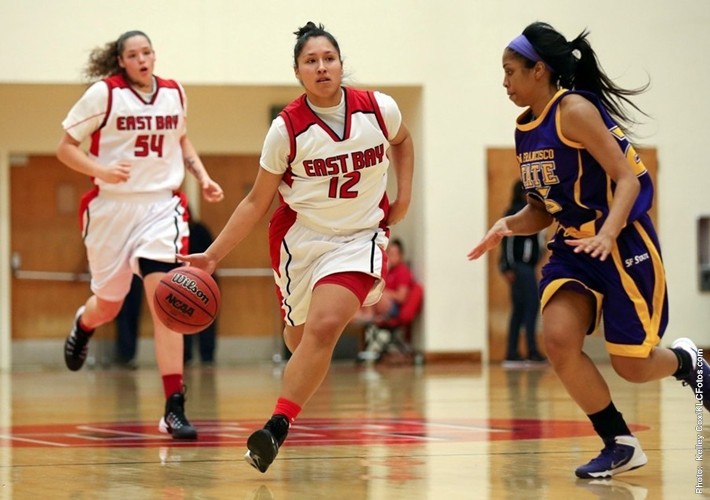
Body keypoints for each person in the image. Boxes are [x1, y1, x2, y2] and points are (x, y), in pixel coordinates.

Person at [467, 21, 710, 479]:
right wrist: (508, 224)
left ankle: (687, 363)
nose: (504, 82)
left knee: (633, 368)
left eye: (510, 71)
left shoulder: (574, 110)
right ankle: (619, 442)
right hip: (573, 246)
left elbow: (627, 178)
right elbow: (542, 209)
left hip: (621, 243)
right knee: (558, 340)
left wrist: (607, 234)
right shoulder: (525, 129)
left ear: (539, 71)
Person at [179, 21, 414, 472]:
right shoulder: (286, 129)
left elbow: (403, 143)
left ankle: (276, 427)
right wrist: (212, 257)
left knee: (325, 326)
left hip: (361, 236)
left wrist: (403, 196)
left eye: (329, 58)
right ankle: (292, 394)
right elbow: (254, 202)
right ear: (298, 72)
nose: (322, 67)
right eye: (311, 61)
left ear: (342, 64)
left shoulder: (379, 109)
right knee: (299, 337)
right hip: (302, 241)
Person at [57, 30, 224, 440]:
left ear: (154, 55)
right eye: (133, 55)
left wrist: (201, 176)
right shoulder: (104, 95)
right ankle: (84, 321)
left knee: (168, 301)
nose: (142, 59)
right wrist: (100, 169)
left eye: (147, 52)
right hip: (113, 208)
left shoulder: (174, 93)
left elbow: (181, 139)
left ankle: (174, 406)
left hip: (161, 207)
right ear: (122, 61)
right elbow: (65, 147)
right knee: (109, 306)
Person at [498, 180, 546, 367]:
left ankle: (513, 353)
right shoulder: (515, 213)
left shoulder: (534, 214)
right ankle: (531, 351)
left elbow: (538, 242)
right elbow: (507, 243)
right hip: (520, 267)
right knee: (530, 306)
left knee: (520, 309)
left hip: (528, 267)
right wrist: (508, 266)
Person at [357, 238, 416, 323]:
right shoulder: (389, 270)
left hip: (394, 308)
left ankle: (369, 316)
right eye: (389, 253)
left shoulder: (403, 271)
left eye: (393, 254)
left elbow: (401, 297)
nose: (390, 257)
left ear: (400, 255)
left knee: (378, 295)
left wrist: (387, 293)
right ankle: (365, 316)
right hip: (381, 304)